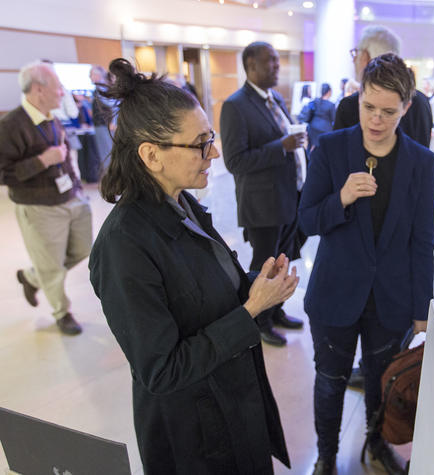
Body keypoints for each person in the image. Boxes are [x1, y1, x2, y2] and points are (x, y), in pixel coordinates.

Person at [88, 58, 298, 474]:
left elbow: (210, 291)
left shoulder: (182, 204)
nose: (214, 153)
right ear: (151, 155)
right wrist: (252, 310)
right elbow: (161, 370)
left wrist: (259, 285)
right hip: (195, 436)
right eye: (200, 143)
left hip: (232, 400)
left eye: (211, 138)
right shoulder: (123, 246)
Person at [299, 53, 434, 475]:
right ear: (358, 98)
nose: (376, 120)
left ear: (407, 108)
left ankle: (376, 445)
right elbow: (306, 219)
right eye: (368, 107)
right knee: (330, 382)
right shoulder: (330, 147)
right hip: (335, 291)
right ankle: (326, 455)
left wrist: (421, 310)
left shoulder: (421, 163)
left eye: (388, 112)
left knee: (384, 382)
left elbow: (423, 241)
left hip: (391, 298)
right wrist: (339, 198)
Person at [220, 41, 307, 347]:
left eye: (277, 60)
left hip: (288, 197)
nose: (276, 66)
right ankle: (259, 320)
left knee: (284, 260)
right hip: (262, 204)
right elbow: (235, 161)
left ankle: (277, 311)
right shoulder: (236, 105)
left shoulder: (275, 99)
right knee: (266, 266)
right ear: (250, 65)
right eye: (269, 61)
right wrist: (281, 147)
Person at [0, 60, 92, 336]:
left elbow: (64, 159)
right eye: (58, 87)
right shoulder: (10, 126)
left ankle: (31, 276)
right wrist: (41, 161)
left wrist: (77, 189)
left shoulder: (53, 118)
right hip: (39, 207)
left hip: (70, 198)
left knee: (84, 249)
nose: (63, 92)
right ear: (39, 89)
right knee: (51, 266)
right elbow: (3, 173)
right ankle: (62, 312)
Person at [334, 25, 433, 148]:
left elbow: (336, 159)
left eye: (356, 53)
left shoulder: (350, 105)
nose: (354, 60)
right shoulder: (421, 101)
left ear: (365, 57)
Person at [89, 64, 116, 173]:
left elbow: (113, 105)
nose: (90, 77)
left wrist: (113, 121)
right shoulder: (100, 89)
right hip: (102, 125)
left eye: (91, 75)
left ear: (97, 75)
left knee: (107, 153)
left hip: (104, 125)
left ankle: (112, 178)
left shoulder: (102, 89)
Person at [298, 82, 336, 151]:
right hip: (325, 129)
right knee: (324, 149)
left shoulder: (315, 101)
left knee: (312, 148)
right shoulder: (331, 105)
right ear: (329, 92)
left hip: (312, 127)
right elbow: (334, 118)